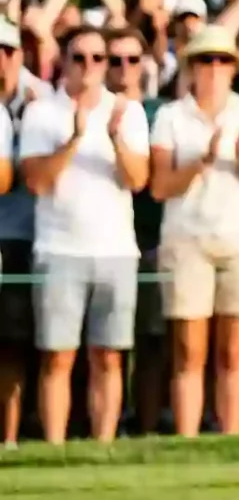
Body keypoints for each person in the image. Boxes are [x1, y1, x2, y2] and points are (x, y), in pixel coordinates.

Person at [16, 25, 151, 443]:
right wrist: (75, 136)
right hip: (59, 249)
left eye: (100, 58)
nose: (91, 66)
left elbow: (137, 179)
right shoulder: (43, 112)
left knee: (109, 357)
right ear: (66, 62)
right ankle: (56, 446)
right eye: (81, 57)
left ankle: (103, 445)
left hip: (116, 251)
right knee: (57, 357)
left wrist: (112, 137)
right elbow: (36, 181)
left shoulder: (126, 112)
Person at [148, 28, 239, 437]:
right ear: (191, 67)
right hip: (187, 240)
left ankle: (230, 438)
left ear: (234, 67)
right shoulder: (170, 116)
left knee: (235, 352)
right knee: (188, 351)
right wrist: (200, 162)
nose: (215, 68)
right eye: (206, 60)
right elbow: (159, 186)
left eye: (223, 60)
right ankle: (188, 440)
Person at [0, 20, 58, 445]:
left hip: (23, 236)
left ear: (20, 56)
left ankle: (13, 437)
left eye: (7, 52)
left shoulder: (43, 100)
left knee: (15, 346)